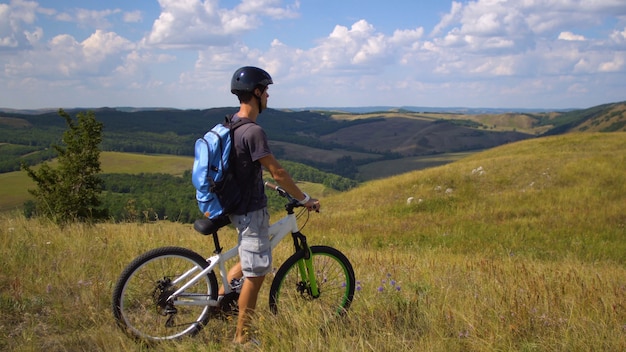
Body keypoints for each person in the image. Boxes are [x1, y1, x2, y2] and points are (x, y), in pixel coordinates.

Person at [223, 66, 320, 344]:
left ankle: (218, 301)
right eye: (265, 91)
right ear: (256, 93)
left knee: (246, 261)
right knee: (257, 273)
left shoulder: (231, 124)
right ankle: (243, 338)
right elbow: (279, 172)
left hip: (234, 206)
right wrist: (305, 199)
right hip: (250, 212)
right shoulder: (253, 131)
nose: (268, 96)